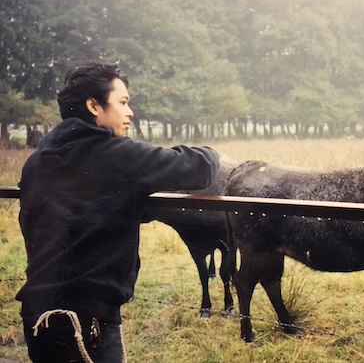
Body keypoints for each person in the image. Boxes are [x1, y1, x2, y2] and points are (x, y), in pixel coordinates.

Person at [16, 61, 220, 362]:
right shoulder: (118, 156)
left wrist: (124, 203)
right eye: (123, 102)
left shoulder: (37, 161)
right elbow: (200, 167)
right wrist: (215, 154)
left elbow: (53, 217)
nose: (130, 112)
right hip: (87, 324)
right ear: (93, 105)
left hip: (36, 319)